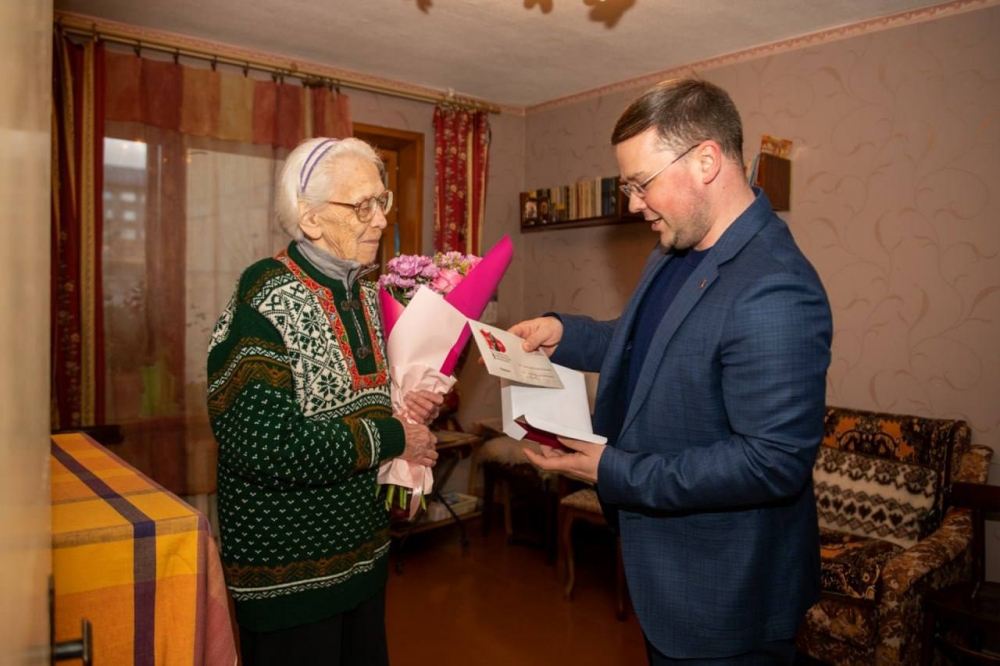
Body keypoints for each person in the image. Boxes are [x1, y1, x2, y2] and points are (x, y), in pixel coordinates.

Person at [513, 79, 832, 664]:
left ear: (706, 161)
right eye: (627, 187)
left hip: (726, 597)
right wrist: (565, 333)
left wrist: (614, 470)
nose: (634, 203)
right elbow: (647, 343)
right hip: (669, 575)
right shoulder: (674, 249)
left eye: (641, 183)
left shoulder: (775, 286)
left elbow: (771, 462)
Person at [207, 137, 444, 666]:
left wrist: (408, 409)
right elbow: (265, 446)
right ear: (310, 218)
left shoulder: (367, 293)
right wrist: (395, 436)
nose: (380, 219)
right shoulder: (265, 296)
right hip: (290, 581)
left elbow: (363, 405)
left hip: (364, 560)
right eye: (362, 206)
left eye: (382, 201)